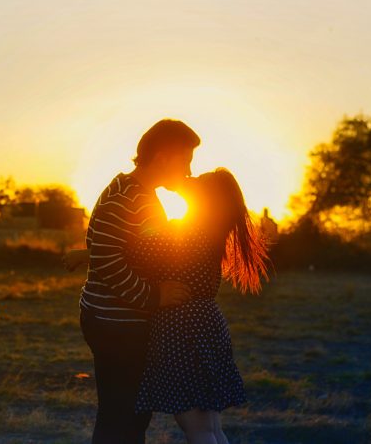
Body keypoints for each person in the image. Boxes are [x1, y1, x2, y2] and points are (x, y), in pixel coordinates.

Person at [67, 168, 269, 444]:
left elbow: (132, 250)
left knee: (198, 429)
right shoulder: (207, 232)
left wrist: (86, 254)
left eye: (197, 181)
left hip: (183, 332)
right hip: (205, 326)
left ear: (205, 198)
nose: (189, 177)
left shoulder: (186, 232)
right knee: (211, 427)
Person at [68, 119, 201, 444]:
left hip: (115, 320)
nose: (188, 171)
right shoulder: (127, 196)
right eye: (185, 161)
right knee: (123, 416)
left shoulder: (135, 192)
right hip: (117, 324)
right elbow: (109, 260)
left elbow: (131, 246)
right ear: (163, 156)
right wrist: (153, 296)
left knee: (127, 414)